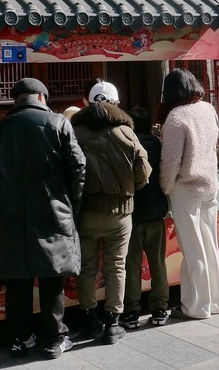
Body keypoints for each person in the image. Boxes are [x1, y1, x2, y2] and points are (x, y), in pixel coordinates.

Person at [0, 78, 86, 360]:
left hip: (9, 214)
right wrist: (71, 203)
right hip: (52, 211)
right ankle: (54, 339)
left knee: (18, 280)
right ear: (40, 97)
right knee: (51, 278)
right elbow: (78, 167)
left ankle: (20, 338)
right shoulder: (59, 124)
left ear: (17, 99)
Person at [70, 80, 150, 345]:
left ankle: (90, 319)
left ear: (88, 102)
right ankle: (113, 323)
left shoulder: (76, 132)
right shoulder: (126, 133)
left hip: (87, 213)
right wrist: (130, 189)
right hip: (120, 211)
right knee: (117, 266)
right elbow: (143, 172)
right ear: (116, 103)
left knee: (87, 267)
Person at [158, 68, 219, 320]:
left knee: (193, 249)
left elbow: (170, 161)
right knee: (210, 245)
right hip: (209, 184)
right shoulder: (208, 109)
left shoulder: (176, 117)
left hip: (186, 189)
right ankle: (214, 301)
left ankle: (196, 306)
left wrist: (165, 187)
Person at [119, 106, 170, 330]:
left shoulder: (126, 144)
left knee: (132, 264)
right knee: (158, 263)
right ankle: (159, 308)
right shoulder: (157, 144)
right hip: (156, 210)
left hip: (132, 212)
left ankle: (131, 311)